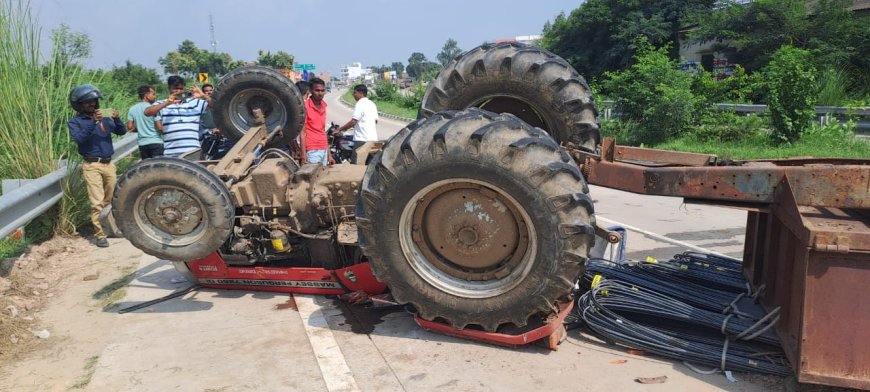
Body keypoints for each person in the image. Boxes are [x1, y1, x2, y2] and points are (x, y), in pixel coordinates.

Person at [67, 84, 126, 248]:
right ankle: (100, 235)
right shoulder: (75, 122)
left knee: (111, 199)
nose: (91, 105)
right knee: (97, 202)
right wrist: (93, 123)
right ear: (79, 105)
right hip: (92, 165)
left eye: (93, 101)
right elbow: (79, 139)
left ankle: (112, 228)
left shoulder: (104, 117)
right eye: (87, 102)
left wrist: (116, 118)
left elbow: (121, 132)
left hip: (108, 164)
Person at [145, 76, 211, 157]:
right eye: (175, 89)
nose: (178, 91)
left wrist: (203, 95)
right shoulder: (162, 104)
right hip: (171, 152)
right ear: (169, 88)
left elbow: (217, 105)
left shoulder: (195, 103)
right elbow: (147, 112)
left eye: (181, 89)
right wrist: (167, 103)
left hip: (192, 151)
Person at [334, 84, 378, 164]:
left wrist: (339, 130)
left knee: (356, 165)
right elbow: (375, 121)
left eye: (355, 93)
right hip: (373, 140)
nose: (353, 95)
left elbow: (353, 121)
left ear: (360, 93)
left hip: (362, 140)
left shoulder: (359, 104)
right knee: (370, 165)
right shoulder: (372, 104)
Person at [299, 77, 332, 166]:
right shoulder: (305, 107)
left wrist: (329, 154)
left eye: (322, 90)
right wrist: (303, 155)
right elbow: (302, 132)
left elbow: (323, 131)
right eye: (317, 90)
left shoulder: (324, 106)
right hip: (312, 150)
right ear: (310, 91)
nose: (320, 93)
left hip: (324, 148)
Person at [126, 85, 164, 159]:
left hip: (142, 144)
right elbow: (160, 128)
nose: (154, 96)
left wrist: (141, 128)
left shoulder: (132, 109)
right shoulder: (153, 109)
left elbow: (129, 127)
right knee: (158, 168)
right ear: (146, 95)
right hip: (156, 142)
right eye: (153, 94)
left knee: (147, 168)